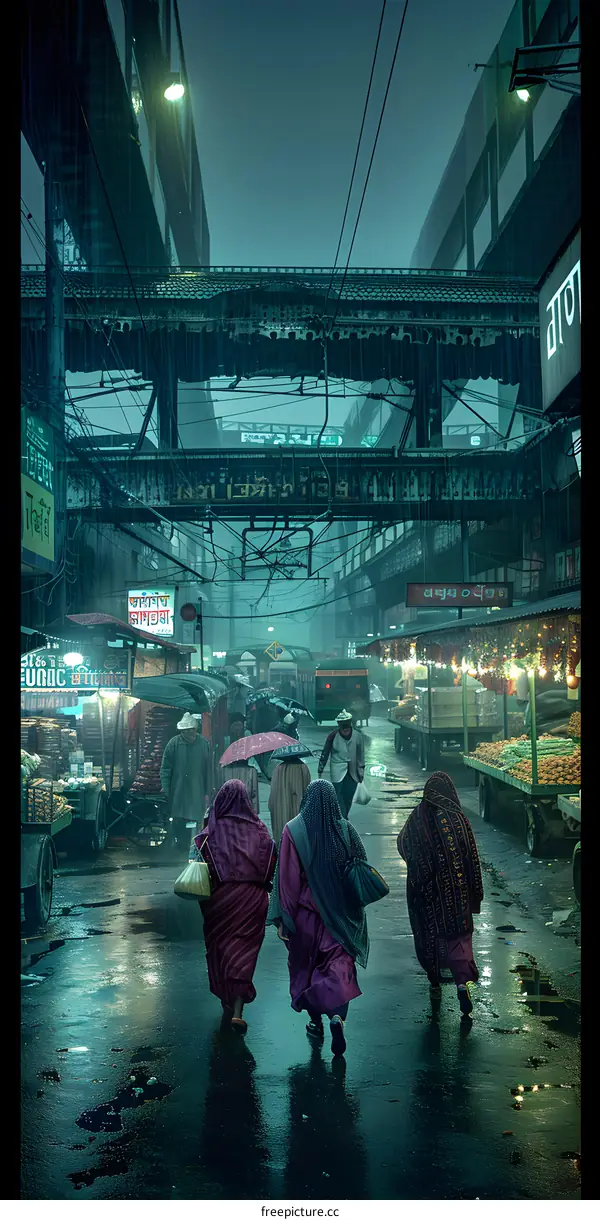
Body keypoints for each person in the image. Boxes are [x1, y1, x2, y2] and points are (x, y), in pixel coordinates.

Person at [268, 778, 369, 1057]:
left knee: (307, 969)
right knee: (339, 968)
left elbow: (285, 878)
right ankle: (337, 1017)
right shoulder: (346, 830)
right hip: (338, 917)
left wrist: (282, 918)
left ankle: (314, 1020)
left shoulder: (293, 830)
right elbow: (360, 864)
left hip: (305, 918)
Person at [397, 771, 484, 1018]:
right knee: (460, 941)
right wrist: (473, 891)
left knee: (431, 939)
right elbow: (472, 858)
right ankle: (460, 984)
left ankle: (435, 983)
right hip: (459, 898)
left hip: (429, 897)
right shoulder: (459, 819)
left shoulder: (418, 817)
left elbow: (403, 844)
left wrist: (421, 870)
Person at [194, 779, 277, 1033]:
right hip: (252, 901)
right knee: (244, 953)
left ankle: (227, 1000)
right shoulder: (260, 830)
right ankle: (238, 1009)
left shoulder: (212, 831)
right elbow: (270, 862)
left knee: (222, 950)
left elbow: (199, 857)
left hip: (220, 900)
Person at [160, 711, 212, 849]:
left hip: (197, 788)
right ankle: (181, 845)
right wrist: (166, 788)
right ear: (182, 731)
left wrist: (209, 790)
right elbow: (166, 768)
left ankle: (196, 845)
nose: (190, 733)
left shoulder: (203, 744)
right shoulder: (174, 744)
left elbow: (208, 769)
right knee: (179, 819)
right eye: (187, 730)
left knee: (197, 819)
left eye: (192, 730)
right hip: (178, 789)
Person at [318, 710, 365, 817]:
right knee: (337, 795)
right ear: (339, 725)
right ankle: (341, 817)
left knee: (349, 795)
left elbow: (361, 755)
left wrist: (361, 771)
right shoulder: (332, 736)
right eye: (342, 725)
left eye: (347, 725)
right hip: (337, 770)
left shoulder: (358, 736)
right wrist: (321, 768)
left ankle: (344, 815)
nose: (345, 729)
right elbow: (325, 752)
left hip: (352, 771)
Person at [268, 749, 311, 843]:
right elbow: (307, 793)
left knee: (281, 838)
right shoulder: (303, 768)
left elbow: (273, 793)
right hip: (297, 810)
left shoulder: (278, 769)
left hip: (279, 810)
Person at [220, 716, 260, 814]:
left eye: (239, 726)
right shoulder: (227, 740)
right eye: (235, 726)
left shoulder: (245, 738)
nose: (237, 729)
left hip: (238, 770)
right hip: (235, 770)